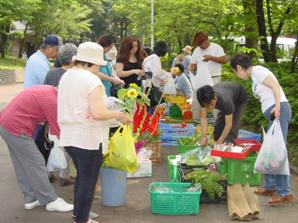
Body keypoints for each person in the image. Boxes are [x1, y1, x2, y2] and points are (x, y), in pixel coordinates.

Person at [58, 42, 130, 223]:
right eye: (98, 64)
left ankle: (78, 215)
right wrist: (119, 115)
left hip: (69, 136)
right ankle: (82, 219)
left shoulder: (67, 75)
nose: (99, 67)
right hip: (88, 138)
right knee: (87, 183)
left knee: (82, 179)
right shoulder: (91, 81)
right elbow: (98, 113)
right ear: (92, 63)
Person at [230, 53, 293, 205]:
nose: (237, 75)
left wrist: (277, 108)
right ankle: (270, 186)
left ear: (239, 67)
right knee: (270, 150)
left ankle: (284, 192)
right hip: (274, 113)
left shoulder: (258, 71)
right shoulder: (255, 76)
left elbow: (275, 87)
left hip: (279, 111)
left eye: (235, 71)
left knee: (277, 151)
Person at [0, 85, 73, 212]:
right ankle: (50, 200)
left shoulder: (48, 89)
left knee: (22, 164)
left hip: (7, 125)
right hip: (17, 128)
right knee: (36, 162)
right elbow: (58, 130)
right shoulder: (52, 101)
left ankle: (31, 198)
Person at [44, 43, 78, 187]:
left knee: (49, 143)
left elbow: (44, 91)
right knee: (67, 146)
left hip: (49, 113)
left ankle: (49, 173)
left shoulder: (52, 72)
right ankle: (64, 176)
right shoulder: (74, 75)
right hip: (66, 115)